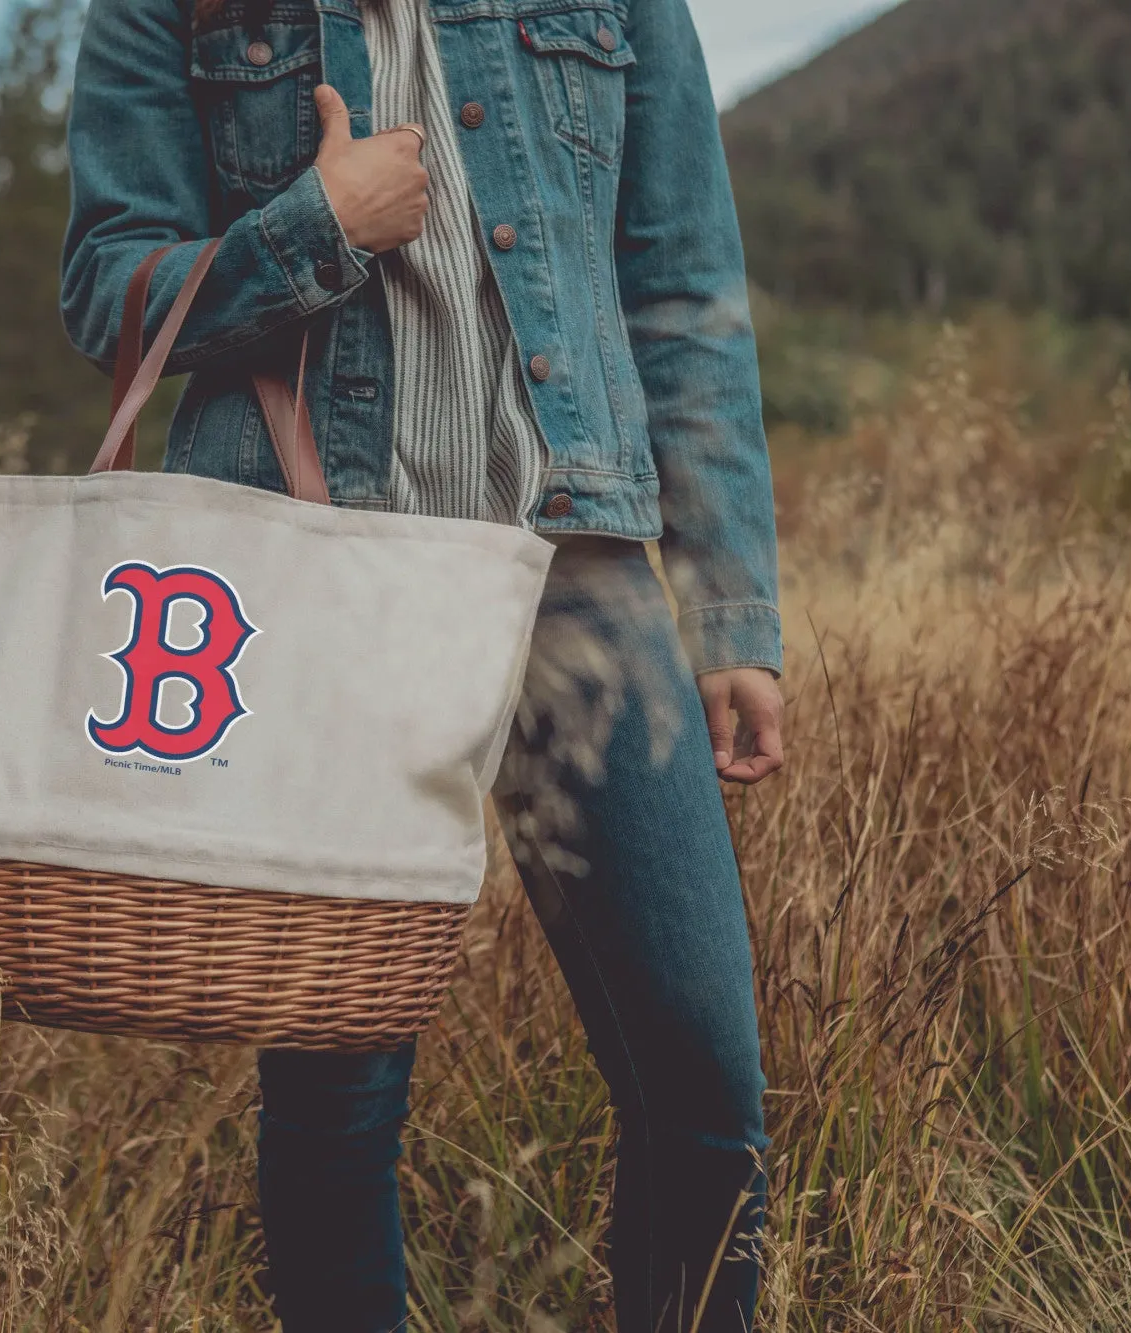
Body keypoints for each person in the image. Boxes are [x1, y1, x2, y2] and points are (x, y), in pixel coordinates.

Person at [62, 0, 785, 1326]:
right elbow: (108, 286)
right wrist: (313, 230)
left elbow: (680, 287)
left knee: (704, 1086)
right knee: (340, 1100)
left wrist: (733, 608)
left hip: (580, 579)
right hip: (323, 585)